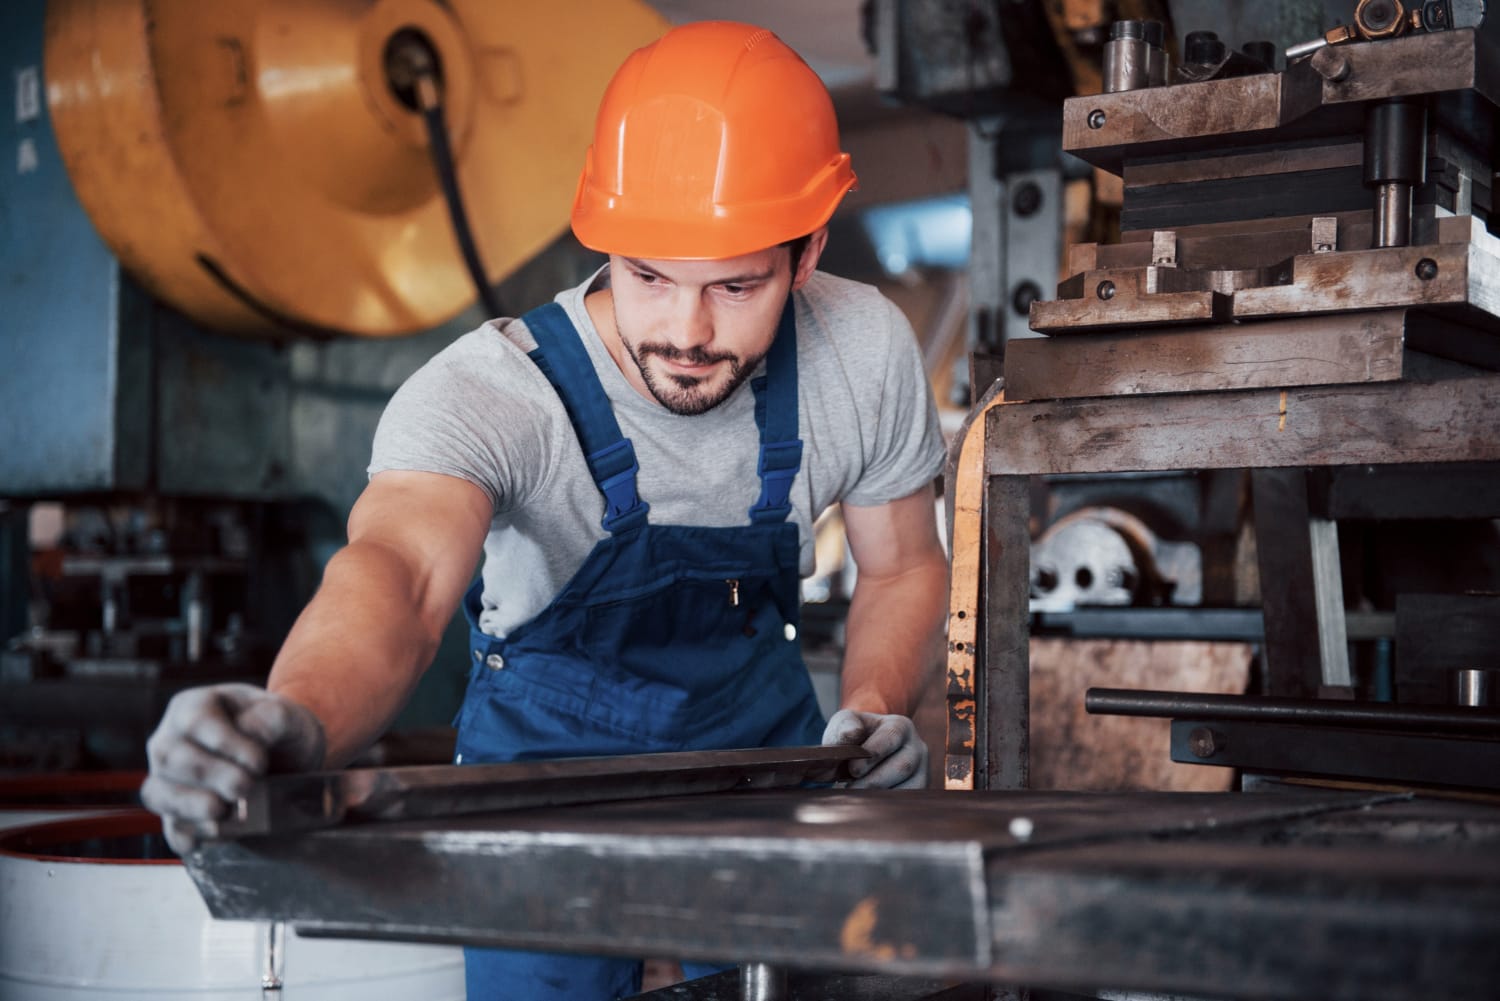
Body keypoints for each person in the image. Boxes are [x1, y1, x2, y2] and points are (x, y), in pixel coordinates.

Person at [141, 19, 949, 1001]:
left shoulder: (861, 351)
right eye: (649, 275)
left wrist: (871, 712)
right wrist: (298, 719)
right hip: (543, 762)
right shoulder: (492, 393)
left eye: (737, 285)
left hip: (761, 753)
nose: (687, 332)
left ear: (808, 251)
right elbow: (400, 578)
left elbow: (903, 564)